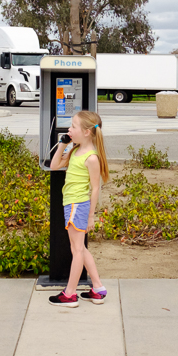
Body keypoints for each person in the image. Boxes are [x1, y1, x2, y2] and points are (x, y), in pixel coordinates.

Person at [47, 110, 110, 307]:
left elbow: (95, 188)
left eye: (73, 126)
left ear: (87, 132)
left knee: (76, 250)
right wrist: (63, 144)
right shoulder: (75, 150)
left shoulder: (91, 158)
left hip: (78, 205)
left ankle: (70, 294)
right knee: (80, 248)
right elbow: (55, 165)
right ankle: (98, 288)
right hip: (72, 204)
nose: (69, 129)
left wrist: (91, 216)